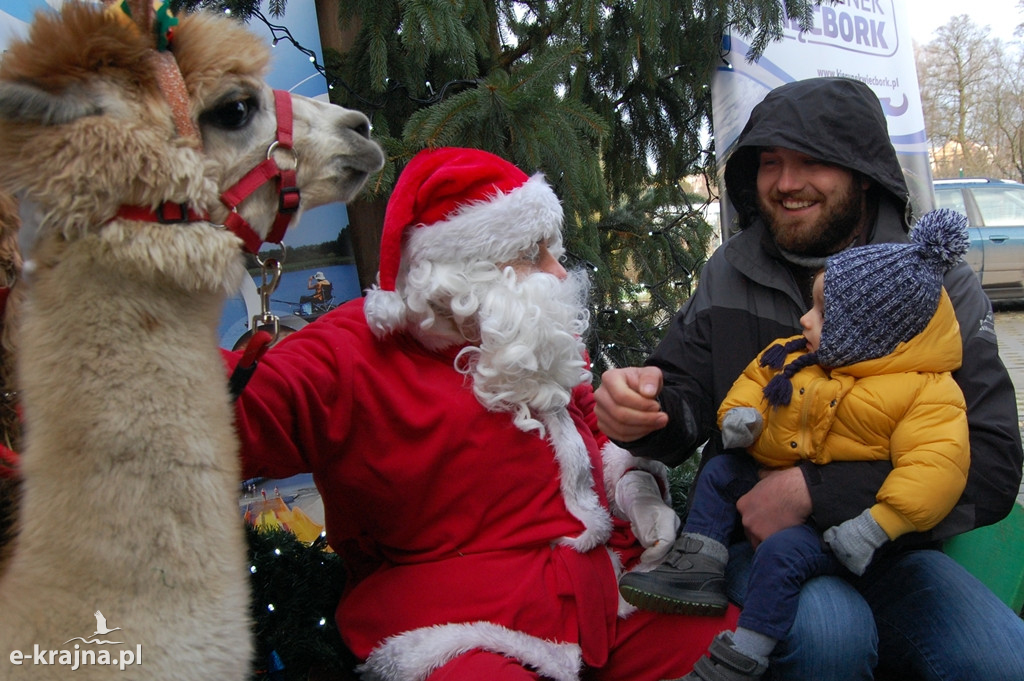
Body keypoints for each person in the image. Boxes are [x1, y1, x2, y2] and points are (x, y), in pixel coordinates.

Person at [228, 146, 739, 680]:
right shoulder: (348, 352)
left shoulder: (532, 332)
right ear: (462, 269)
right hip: (458, 626)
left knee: (727, 644)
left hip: (600, 597)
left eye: (552, 251)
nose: (558, 273)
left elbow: (587, 427)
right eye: (533, 254)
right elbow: (229, 418)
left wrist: (629, 468)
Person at [594, 77, 1024, 681]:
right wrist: (646, 410)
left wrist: (816, 493)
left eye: (812, 161)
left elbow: (994, 462)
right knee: (831, 638)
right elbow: (683, 394)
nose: (787, 183)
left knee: (999, 660)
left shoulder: (937, 287)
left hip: (895, 546)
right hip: (756, 539)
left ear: (864, 173)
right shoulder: (731, 271)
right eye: (770, 162)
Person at [619, 209, 972, 681]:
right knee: (722, 473)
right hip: (762, 499)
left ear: (871, 333)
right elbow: (756, 377)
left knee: (787, 562)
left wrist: (874, 523)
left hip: (854, 529)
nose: (805, 319)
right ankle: (699, 561)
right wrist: (739, 419)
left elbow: (937, 467)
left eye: (823, 313)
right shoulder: (808, 356)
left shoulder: (925, 391)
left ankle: (740, 656)